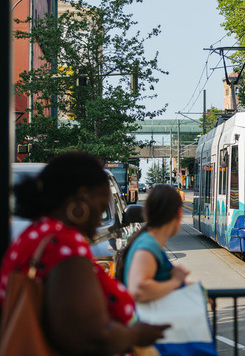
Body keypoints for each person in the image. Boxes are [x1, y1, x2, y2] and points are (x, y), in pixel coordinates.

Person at [0, 152, 169, 355]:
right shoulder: (62, 243)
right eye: (99, 207)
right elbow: (91, 337)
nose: (99, 221)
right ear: (81, 198)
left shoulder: (36, 235)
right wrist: (136, 335)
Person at [116, 184, 189, 302]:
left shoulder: (147, 241)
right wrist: (175, 281)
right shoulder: (148, 246)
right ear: (179, 214)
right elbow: (139, 290)